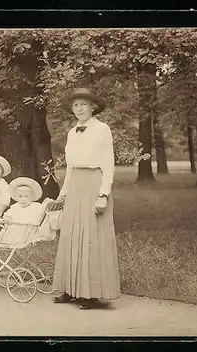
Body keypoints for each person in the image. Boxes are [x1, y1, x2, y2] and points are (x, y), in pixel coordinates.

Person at [52, 87, 120, 310]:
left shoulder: (102, 129)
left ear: (93, 107)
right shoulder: (72, 132)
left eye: (83, 104)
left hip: (94, 184)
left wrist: (103, 194)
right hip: (76, 186)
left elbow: (108, 164)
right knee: (71, 236)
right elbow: (70, 166)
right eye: (75, 105)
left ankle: (90, 294)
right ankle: (70, 290)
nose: (79, 108)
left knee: (91, 237)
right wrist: (63, 193)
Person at [0, 177, 46, 246]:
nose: (23, 199)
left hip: (27, 229)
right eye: (20, 196)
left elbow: (38, 217)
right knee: (8, 232)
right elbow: (8, 214)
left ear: (32, 197)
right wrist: (7, 218)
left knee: (22, 235)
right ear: (16, 197)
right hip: (13, 228)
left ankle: (18, 246)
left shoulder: (36, 206)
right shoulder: (15, 207)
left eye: (26, 196)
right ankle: (5, 245)